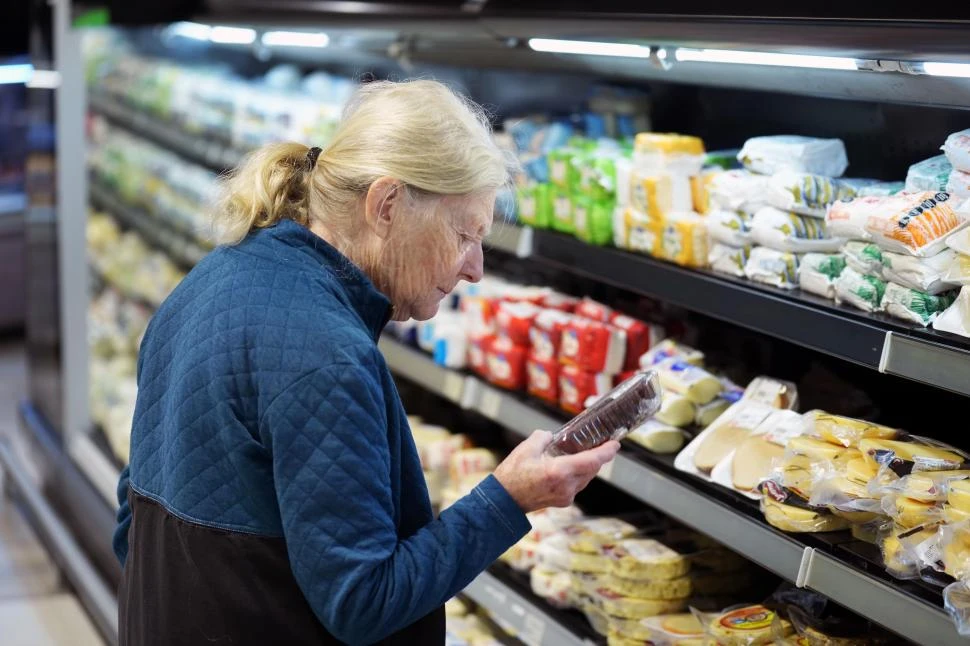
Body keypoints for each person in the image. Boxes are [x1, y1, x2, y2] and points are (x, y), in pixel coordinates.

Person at [113, 79, 619, 646]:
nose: (475, 268)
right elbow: (363, 600)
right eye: (465, 234)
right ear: (386, 205)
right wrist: (508, 498)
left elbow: (133, 514)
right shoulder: (327, 359)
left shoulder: (209, 280)